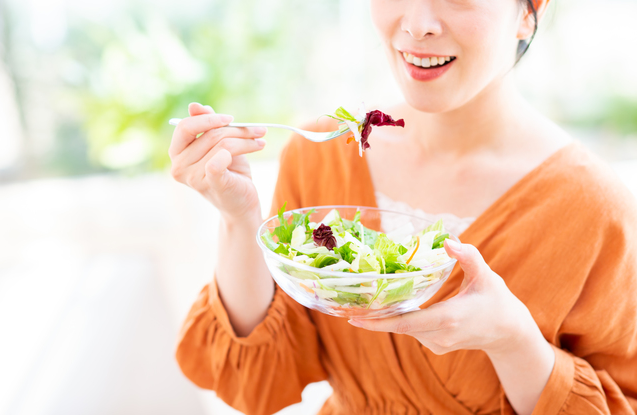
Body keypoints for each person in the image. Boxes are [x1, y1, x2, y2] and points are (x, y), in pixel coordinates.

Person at [168, 0, 637, 414]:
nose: (417, 24)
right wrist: (239, 217)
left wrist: (512, 340)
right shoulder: (322, 154)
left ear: (529, 9)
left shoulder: (596, 210)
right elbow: (260, 383)